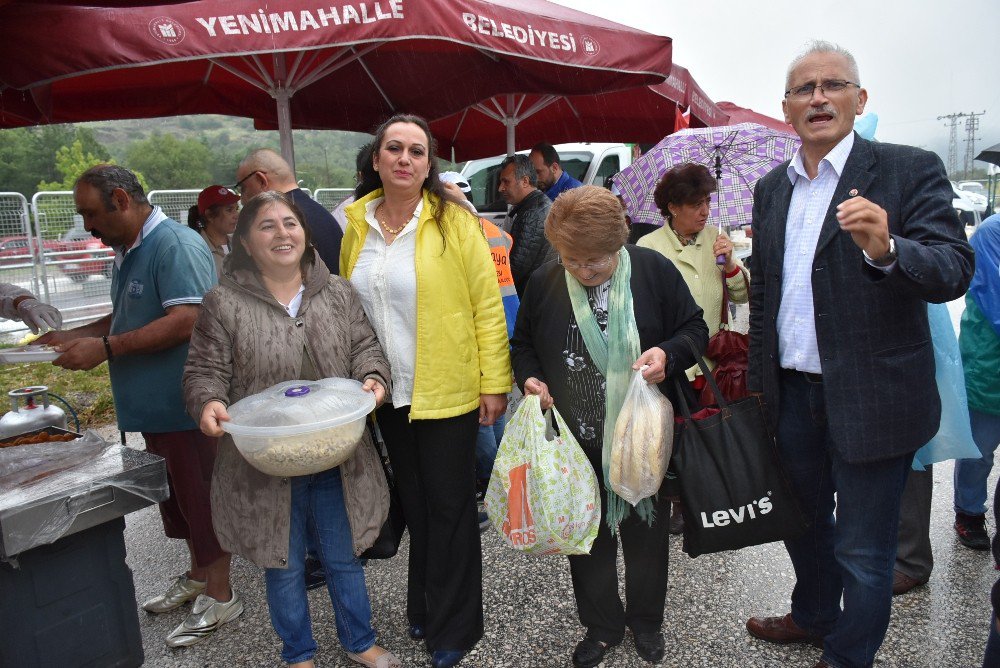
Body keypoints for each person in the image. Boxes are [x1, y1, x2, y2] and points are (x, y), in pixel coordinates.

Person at [744, 41, 974, 668]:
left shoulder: (906, 169)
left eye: (833, 85)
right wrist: (759, 384)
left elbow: (954, 268)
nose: (818, 97)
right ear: (786, 109)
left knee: (864, 551)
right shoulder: (771, 190)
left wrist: (888, 248)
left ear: (859, 98)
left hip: (877, 398)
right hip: (790, 396)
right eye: (804, 89)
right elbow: (765, 292)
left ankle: (848, 656)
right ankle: (814, 613)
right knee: (802, 526)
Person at [183, 190, 401, 668]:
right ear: (244, 240)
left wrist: (373, 377)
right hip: (265, 455)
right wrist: (210, 402)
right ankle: (298, 653)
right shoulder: (224, 302)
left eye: (290, 223)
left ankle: (360, 641)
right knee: (281, 563)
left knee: (342, 556)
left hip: (335, 451)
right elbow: (204, 371)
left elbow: (366, 347)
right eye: (267, 225)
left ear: (305, 233)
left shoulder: (338, 292)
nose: (282, 233)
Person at [39, 164, 238, 648]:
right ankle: (197, 576)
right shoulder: (130, 249)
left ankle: (223, 595)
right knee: (181, 505)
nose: (87, 225)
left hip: (186, 406)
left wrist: (105, 349)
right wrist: (79, 334)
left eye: (91, 213)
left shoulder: (174, 244)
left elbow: (188, 318)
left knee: (203, 500)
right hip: (154, 410)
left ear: (123, 201)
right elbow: (129, 314)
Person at [340, 113, 512, 668]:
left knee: (451, 507)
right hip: (387, 393)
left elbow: (488, 306)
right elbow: (347, 308)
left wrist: (494, 384)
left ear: (428, 164)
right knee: (413, 504)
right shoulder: (355, 224)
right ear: (376, 158)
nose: (405, 159)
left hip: (449, 387)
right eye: (395, 148)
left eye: (417, 151)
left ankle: (456, 626)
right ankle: (426, 602)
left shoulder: (456, 224)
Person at [511, 186, 708, 668]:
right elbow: (523, 345)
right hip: (576, 439)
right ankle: (601, 626)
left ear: (619, 243)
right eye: (572, 260)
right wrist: (530, 378)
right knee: (588, 537)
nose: (583, 270)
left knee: (647, 537)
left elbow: (695, 330)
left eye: (595, 261)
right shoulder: (544, 280)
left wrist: (668, 354)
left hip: (642, 437)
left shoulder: (653, 271)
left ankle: (646, 623)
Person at [637, 162, 749, 535]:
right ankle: (682, 502)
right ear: (672, 207)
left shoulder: (717, 239)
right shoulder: (648, 247)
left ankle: (716, 496)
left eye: (707, 202)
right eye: (695, 204)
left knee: (715, 427)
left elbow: (743, 294)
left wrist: (731, 263)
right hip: (673, 359)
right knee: (678, 434)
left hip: (715, 358)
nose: (704, 211)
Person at [954, 214, 1000, 551]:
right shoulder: (991, 232)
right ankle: (969, 512)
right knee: (980, 447)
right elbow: (993, 296)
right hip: (990, 357)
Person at [234, 148, 343, 275]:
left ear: (261, 180)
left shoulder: (274, 224)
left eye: (243, 188)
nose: (241, 200)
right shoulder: (322, 216)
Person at [498, 153, 556, 296]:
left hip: (533, 297)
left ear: (525, 181)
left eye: (506, 182)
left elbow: (515, 269)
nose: (501, 188)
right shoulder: (534, 207)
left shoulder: (533, 214)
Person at [187, 185, 240, 277]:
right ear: (209, 215)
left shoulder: (239, 244)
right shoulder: (196, 250)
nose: (237, 215)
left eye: (236, 209)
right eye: (229, 210)